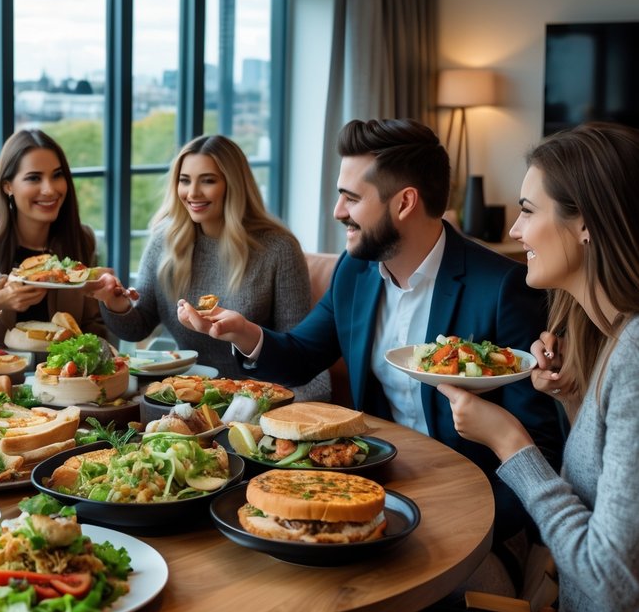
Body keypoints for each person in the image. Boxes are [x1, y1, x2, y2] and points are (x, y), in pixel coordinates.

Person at [178, 118, 563, 553]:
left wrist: (476, 526)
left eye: (351, 198)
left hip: (469, 507)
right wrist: (246, 334)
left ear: (404, 203)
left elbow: (540, 446)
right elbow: (304, 354)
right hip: (371, 488)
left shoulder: (501, 287)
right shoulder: (355, 271)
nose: (338, 211)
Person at [424, 123, 639, 612]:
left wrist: (510, 445)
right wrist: (570, 399)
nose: (516, 231)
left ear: (585, 223)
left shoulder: (635, 352)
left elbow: (612, 582)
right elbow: (603, 492)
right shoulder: (609, 339)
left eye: (527, 209)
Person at [91, 135, 327, 399]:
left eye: (208, 180)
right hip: (185, 395)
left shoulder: (278, 249)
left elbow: (299, 355)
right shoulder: (165, 240)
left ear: (233, 185)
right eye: (184, 180)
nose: (192, 193)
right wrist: (114, 303)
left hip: (255, 400)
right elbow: (137, 328)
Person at [0, 128, 106, 349]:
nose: (49, 189)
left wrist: (111, 300)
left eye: (57, 175)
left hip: (63, 379)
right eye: (34, 178)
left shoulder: (82, 239)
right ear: (7, 186)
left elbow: (94, 327)